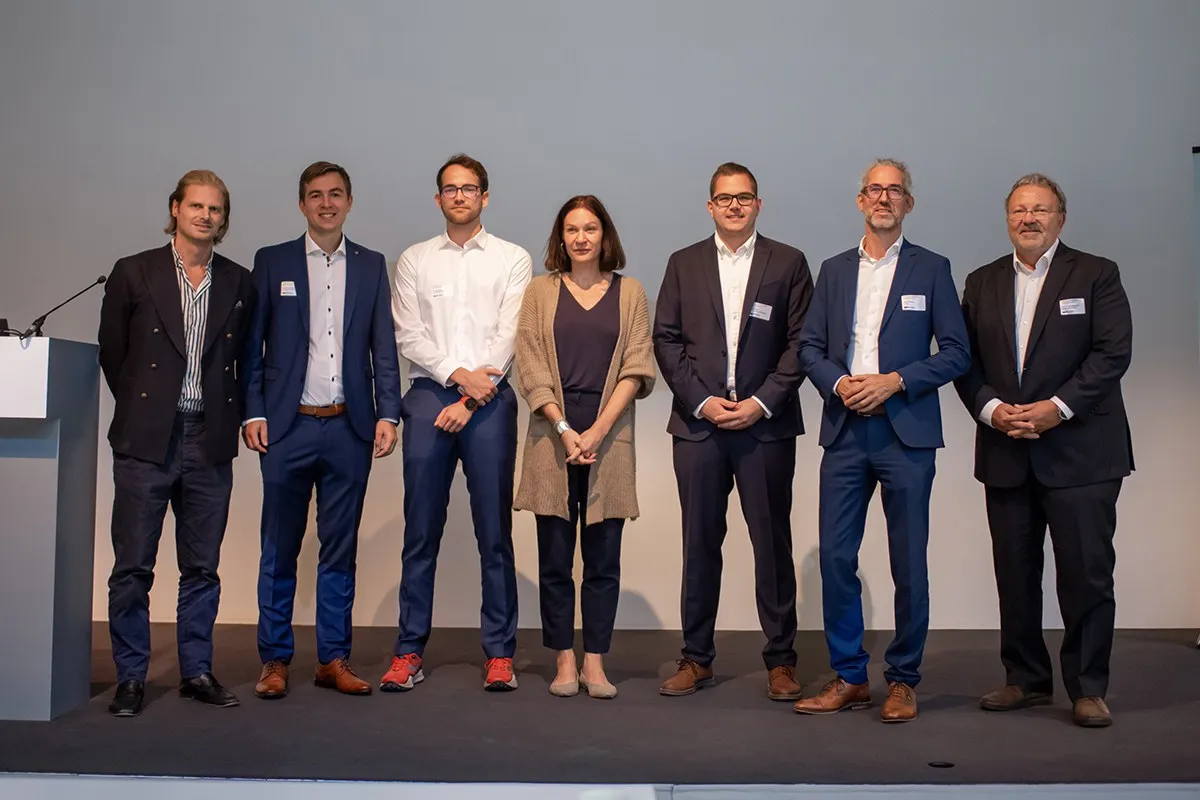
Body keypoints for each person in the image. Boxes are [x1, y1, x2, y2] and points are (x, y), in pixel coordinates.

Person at [794, 159, 970, 723]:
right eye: (875, 189)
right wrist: (842, 384)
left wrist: (896, 382)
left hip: (906, 433)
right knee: (837, 558)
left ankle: (902, 679)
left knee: (908, 562)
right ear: (860, 200)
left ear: (909, 204)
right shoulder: (835, 270)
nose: (884, 198)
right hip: (845, 431)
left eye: (895, 191)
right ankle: (849, 675)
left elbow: (957, 353)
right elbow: (810, 349)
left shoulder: (933, 269)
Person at [955, 173, 1133, 728]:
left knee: (1086, 573)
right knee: (1015, 572)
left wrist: (1057, 407)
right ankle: (1025, 679)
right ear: (1007, 219)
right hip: (1006, 446)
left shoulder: (1098, 274)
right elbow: (965, 361)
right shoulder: (981, 281)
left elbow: (1111, 353)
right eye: (1018, 210)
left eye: (1040, 210)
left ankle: (1087, 687)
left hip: (1082, 452)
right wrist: (991, 409)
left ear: (1061, 217)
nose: (1028, 218)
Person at [241, 161, 402, 699]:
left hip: (349, 429)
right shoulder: (273, 262)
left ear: (350, 202)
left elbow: (385, 346)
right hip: (286, 430)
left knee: (339, 550)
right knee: (279, 548)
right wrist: (254, 410)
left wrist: (387, 413)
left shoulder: (371, 264)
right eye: (315, 195)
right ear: (302, 204)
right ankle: (274, 661)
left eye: (336, 195)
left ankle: (333, 658)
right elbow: (252, 346)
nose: (326, 203)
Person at [652, 162, 813, 700]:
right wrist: (703, 402)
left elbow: (801, 344)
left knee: (772, 544)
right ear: (710, 206)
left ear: (758, 205)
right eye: (725, 199)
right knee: (699, 544)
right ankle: (696, 658)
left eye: (744, 198)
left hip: (764, 428)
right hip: (699, 429)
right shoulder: (683, 263)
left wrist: (762, 402)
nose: (735, 206)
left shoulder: (788, 263)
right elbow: (666, 341)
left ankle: (781, 662)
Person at [97, 170, 255, 717]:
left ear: (223, 218)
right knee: (134, 566)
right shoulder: (134, 271)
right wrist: (150, 407)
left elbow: (248, 359)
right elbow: (113, 353)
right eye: (197, 206)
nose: (206, 216)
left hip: (209, 440)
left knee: (202, 567)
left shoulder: (239, 280)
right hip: (147, 439)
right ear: (175, 208)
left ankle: (196, 671)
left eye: (215, 209)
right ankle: (132, 677)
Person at [383, 154, 532, 692]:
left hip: (490, 402)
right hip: (427, 396)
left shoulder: (513, 258)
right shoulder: (415, 259)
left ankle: (499, 654)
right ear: (438, 198)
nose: (460, 196)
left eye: (470, 188)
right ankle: (408, 652)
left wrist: (470, 397)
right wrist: (454, 377)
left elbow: (511, 335)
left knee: (494, 532)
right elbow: (408, 335)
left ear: (485, 197)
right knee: (420, 531)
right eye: (450, 189)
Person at [513, 195, 655, 699]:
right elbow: (528, 364)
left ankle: (595, 662)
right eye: (571, 229)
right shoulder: (539, 291)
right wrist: (565, 428)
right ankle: (564, 661)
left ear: (605, 236)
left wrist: (595, 430)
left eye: (590, 228)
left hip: (610, 439)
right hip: (551, 439)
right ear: (560, 238)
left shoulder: (631, 292)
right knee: (554, 558)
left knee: (602, 559)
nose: (581, 237)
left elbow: (637, 366)